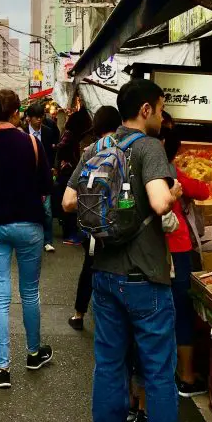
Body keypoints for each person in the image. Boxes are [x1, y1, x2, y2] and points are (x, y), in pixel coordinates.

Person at [64, 79, 204, 422]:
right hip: (144, 278)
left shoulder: (97, 148)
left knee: (109, 367)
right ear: (145, 109)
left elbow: (69, 200)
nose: (162, 117)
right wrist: (174, 191)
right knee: (159, 375)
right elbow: (160, 203)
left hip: (104, 274)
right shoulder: (148, 148)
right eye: (160, 109)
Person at [0, 88, 53, 390]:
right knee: (29, 292)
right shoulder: (31, 142)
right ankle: (33, 352)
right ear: (17, 113)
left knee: (0, 297)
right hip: (29, 224)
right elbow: (46, 184)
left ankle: (2, 367)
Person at [162, 128, 210, 397]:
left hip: (151, 251)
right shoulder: (172, 174)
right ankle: (188, 376)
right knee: (181, 309)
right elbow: (202, 190)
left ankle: (150, 380)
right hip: (177, 249)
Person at [68, 105, 122, 331]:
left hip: (92, 226)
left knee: (89, 267)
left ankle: (79, 314)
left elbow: (67, 201)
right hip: (121, 226)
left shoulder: (90, 151)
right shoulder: (127, 149)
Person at [24, 101, 58, 253]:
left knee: (47, 210)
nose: (39, 120)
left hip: (45, 175)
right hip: (26, 175)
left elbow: (53, 152)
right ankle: (29, 240)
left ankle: (48, 240)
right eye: (36, 117)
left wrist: (53, 167)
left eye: (41, 117)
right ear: (28, 118)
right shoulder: (22, 133)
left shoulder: (48, 131)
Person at [55, 108, 90, 245]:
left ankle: (71, 232)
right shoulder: (70, 134)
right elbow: (60, 147)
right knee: (69, 203)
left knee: (70, 203)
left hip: (68, 171)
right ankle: (69, 233)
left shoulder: (72, 134)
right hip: (68, 172)